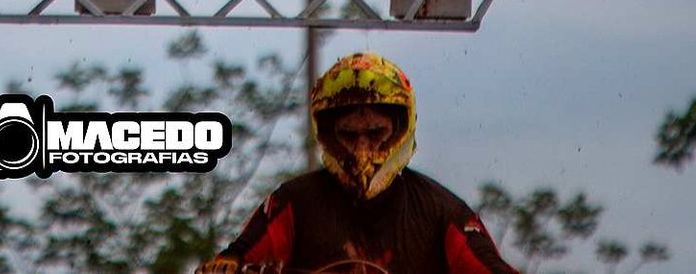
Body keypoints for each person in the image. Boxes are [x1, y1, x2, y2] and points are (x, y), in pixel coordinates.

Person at [198, 52, 520, 274]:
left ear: (400, 129)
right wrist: (228, 266)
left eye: (375, 133)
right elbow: (234, 259)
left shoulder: (442, 210)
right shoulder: (294, 201)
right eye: (349, 135)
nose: (362, 149)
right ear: (329, 135)